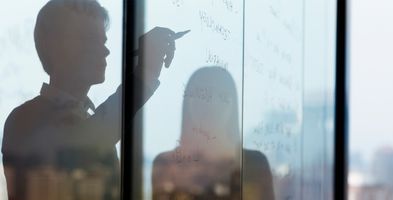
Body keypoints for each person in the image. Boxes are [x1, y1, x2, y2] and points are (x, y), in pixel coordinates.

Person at [1, 0, 177, 199]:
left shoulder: (90, 124)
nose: (105, 50)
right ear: (57, 46)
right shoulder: (24, 120)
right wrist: (144, 75)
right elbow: (81, 144)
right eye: (92, 40)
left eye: (103, 41)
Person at [151, 67, 275, 200]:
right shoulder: (166, 164)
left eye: (223, 96)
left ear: (233, 105)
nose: (212, 103)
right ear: (188, 104)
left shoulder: (255, 163)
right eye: (202, 95)